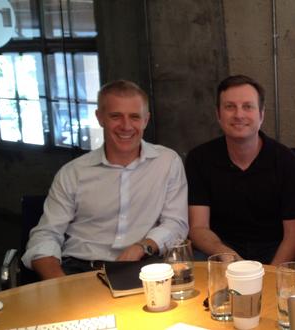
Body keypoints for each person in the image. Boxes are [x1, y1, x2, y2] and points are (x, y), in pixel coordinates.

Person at [22, 80, 189, 279]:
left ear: (146, 120)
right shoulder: (73, 173)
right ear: (100, 118)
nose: (126, 126)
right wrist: (60, 284)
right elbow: (46, 234)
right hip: (79, 269)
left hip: (143, 268)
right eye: (116, 116)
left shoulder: (167, 162)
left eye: (134, 117)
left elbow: (176, 224)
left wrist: (142, 247)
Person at [185, 75, 295, 265]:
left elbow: (294, 235)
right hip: (219, 250)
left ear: (261, 114)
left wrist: (270, 277)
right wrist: (224, 253)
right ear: (218, 114)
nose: (239, 114)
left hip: (274, 251)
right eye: (230, 106)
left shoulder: (287, 161)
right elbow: (198, 227)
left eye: (248, 106)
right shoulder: (199, 159)